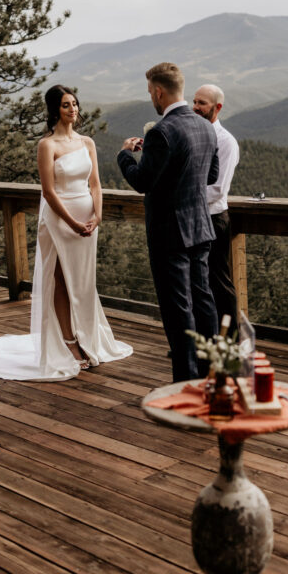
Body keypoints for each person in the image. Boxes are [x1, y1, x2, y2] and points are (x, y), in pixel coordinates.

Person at [0, 85, 132, 380]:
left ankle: (87, 336)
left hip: (88, 220)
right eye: (67, 105)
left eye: (75, 104)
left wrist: (98, 215)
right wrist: (71, 222)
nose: (74, 109)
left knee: (82, 282)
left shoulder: (87, 142)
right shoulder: (48, 145)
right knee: (60, 278)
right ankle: (68, 342)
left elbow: (95, 184)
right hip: (60, 219)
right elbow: (48, 191)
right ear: (55, 109)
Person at [117, 62, 219, 382]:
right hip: (200, 227)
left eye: (150, 92)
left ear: (159, 92)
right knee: (203, 301)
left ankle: (185, 381)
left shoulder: (162, 130)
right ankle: (209, 370)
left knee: (178, 309)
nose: (151, 97)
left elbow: (143, 181)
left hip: (169, 233)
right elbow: (210, 175)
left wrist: (125, 156)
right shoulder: (205, 126)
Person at [193, 83, 240, 334]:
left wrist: (182, 197)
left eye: (202, 103)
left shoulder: (226, 142)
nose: (195, 107)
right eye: (195, 101)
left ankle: (230, 340)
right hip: (194, 219)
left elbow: (218, 189)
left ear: (217, 107)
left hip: (213, 219)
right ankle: (204, 338)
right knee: (198, 284)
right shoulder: (194, 136)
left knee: (218, 282)